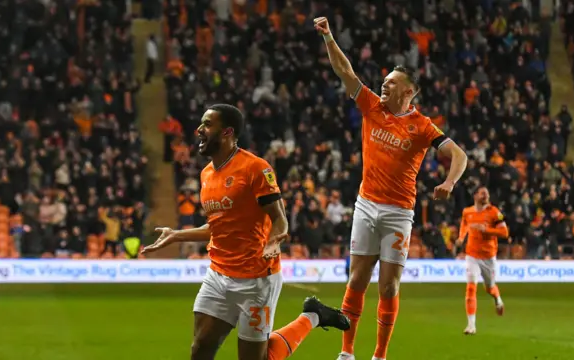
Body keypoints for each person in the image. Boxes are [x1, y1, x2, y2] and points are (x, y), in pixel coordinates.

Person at [142, 104, 350, 360]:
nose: (198, 130)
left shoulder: (256, 169)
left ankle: (312, 316)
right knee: (200, 350)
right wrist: (177, 234)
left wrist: (274, 241)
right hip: (218, 274)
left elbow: (280, 219)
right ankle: (313, 314)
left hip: (255, 279)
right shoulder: (206, 174)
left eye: (207, 124)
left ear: (227, 132)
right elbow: (219, 226)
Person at [314, 17, 469, 360]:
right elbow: (346, 72)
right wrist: (328, 37)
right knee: (356, 281)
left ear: (408, 91)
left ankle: (380, 355)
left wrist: (449, 182)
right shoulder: (372, 106)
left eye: (391, 82)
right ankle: (347, 352)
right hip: (366, 205)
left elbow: (459, 154)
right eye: (384, 80)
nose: (383, 85)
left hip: (399, 212)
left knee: (389, 285)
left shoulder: (422, 126)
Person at [456, 186, 509, 335]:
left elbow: (505, 232)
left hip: (489, 257)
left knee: (489, 288)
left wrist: (487, 230)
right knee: (471, 288)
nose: (486, 196)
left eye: (487, 193)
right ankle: (471, 325)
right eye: (482, 193)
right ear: (475, 196)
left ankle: (497, 299)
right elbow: (464, 225)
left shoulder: (494, 212)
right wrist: (461, 238)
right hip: (472, 255)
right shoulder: (467, 212)